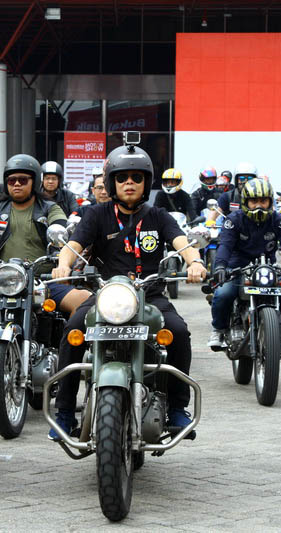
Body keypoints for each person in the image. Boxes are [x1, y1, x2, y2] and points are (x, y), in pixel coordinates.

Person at [49, 145, 208, 439]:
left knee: (178, 332)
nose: (129, 183)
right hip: (107, 295)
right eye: (122, 178)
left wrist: (195, 262)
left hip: (150, 295)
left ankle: (177, 408)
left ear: (147, 182)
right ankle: (65, 412)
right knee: (73, 330)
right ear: (112, 183)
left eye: (137, 177)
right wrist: (63, 265)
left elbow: (181, 242)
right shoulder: (97, 214)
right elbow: (74, 245)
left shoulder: (159, 215)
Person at [0, 154, 91, 378]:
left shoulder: (50, 208)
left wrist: (60, 258)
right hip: (3, 277)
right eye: (12, 180)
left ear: (34, 182)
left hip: (43, 278)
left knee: (84, 300)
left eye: (23, 180)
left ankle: (71, 362)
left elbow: (60, 229)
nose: (16, 184)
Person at [208, 178, 281, 350]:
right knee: (223, 294)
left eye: (263, 201)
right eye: (254, 201)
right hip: (237, 268)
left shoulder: (278, 220)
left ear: (270, 202)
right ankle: (218, 329)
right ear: (245, 202)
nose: (259, 205)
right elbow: (225, 246)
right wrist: (220, 267)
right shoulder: (233, 220)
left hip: (268, 268)